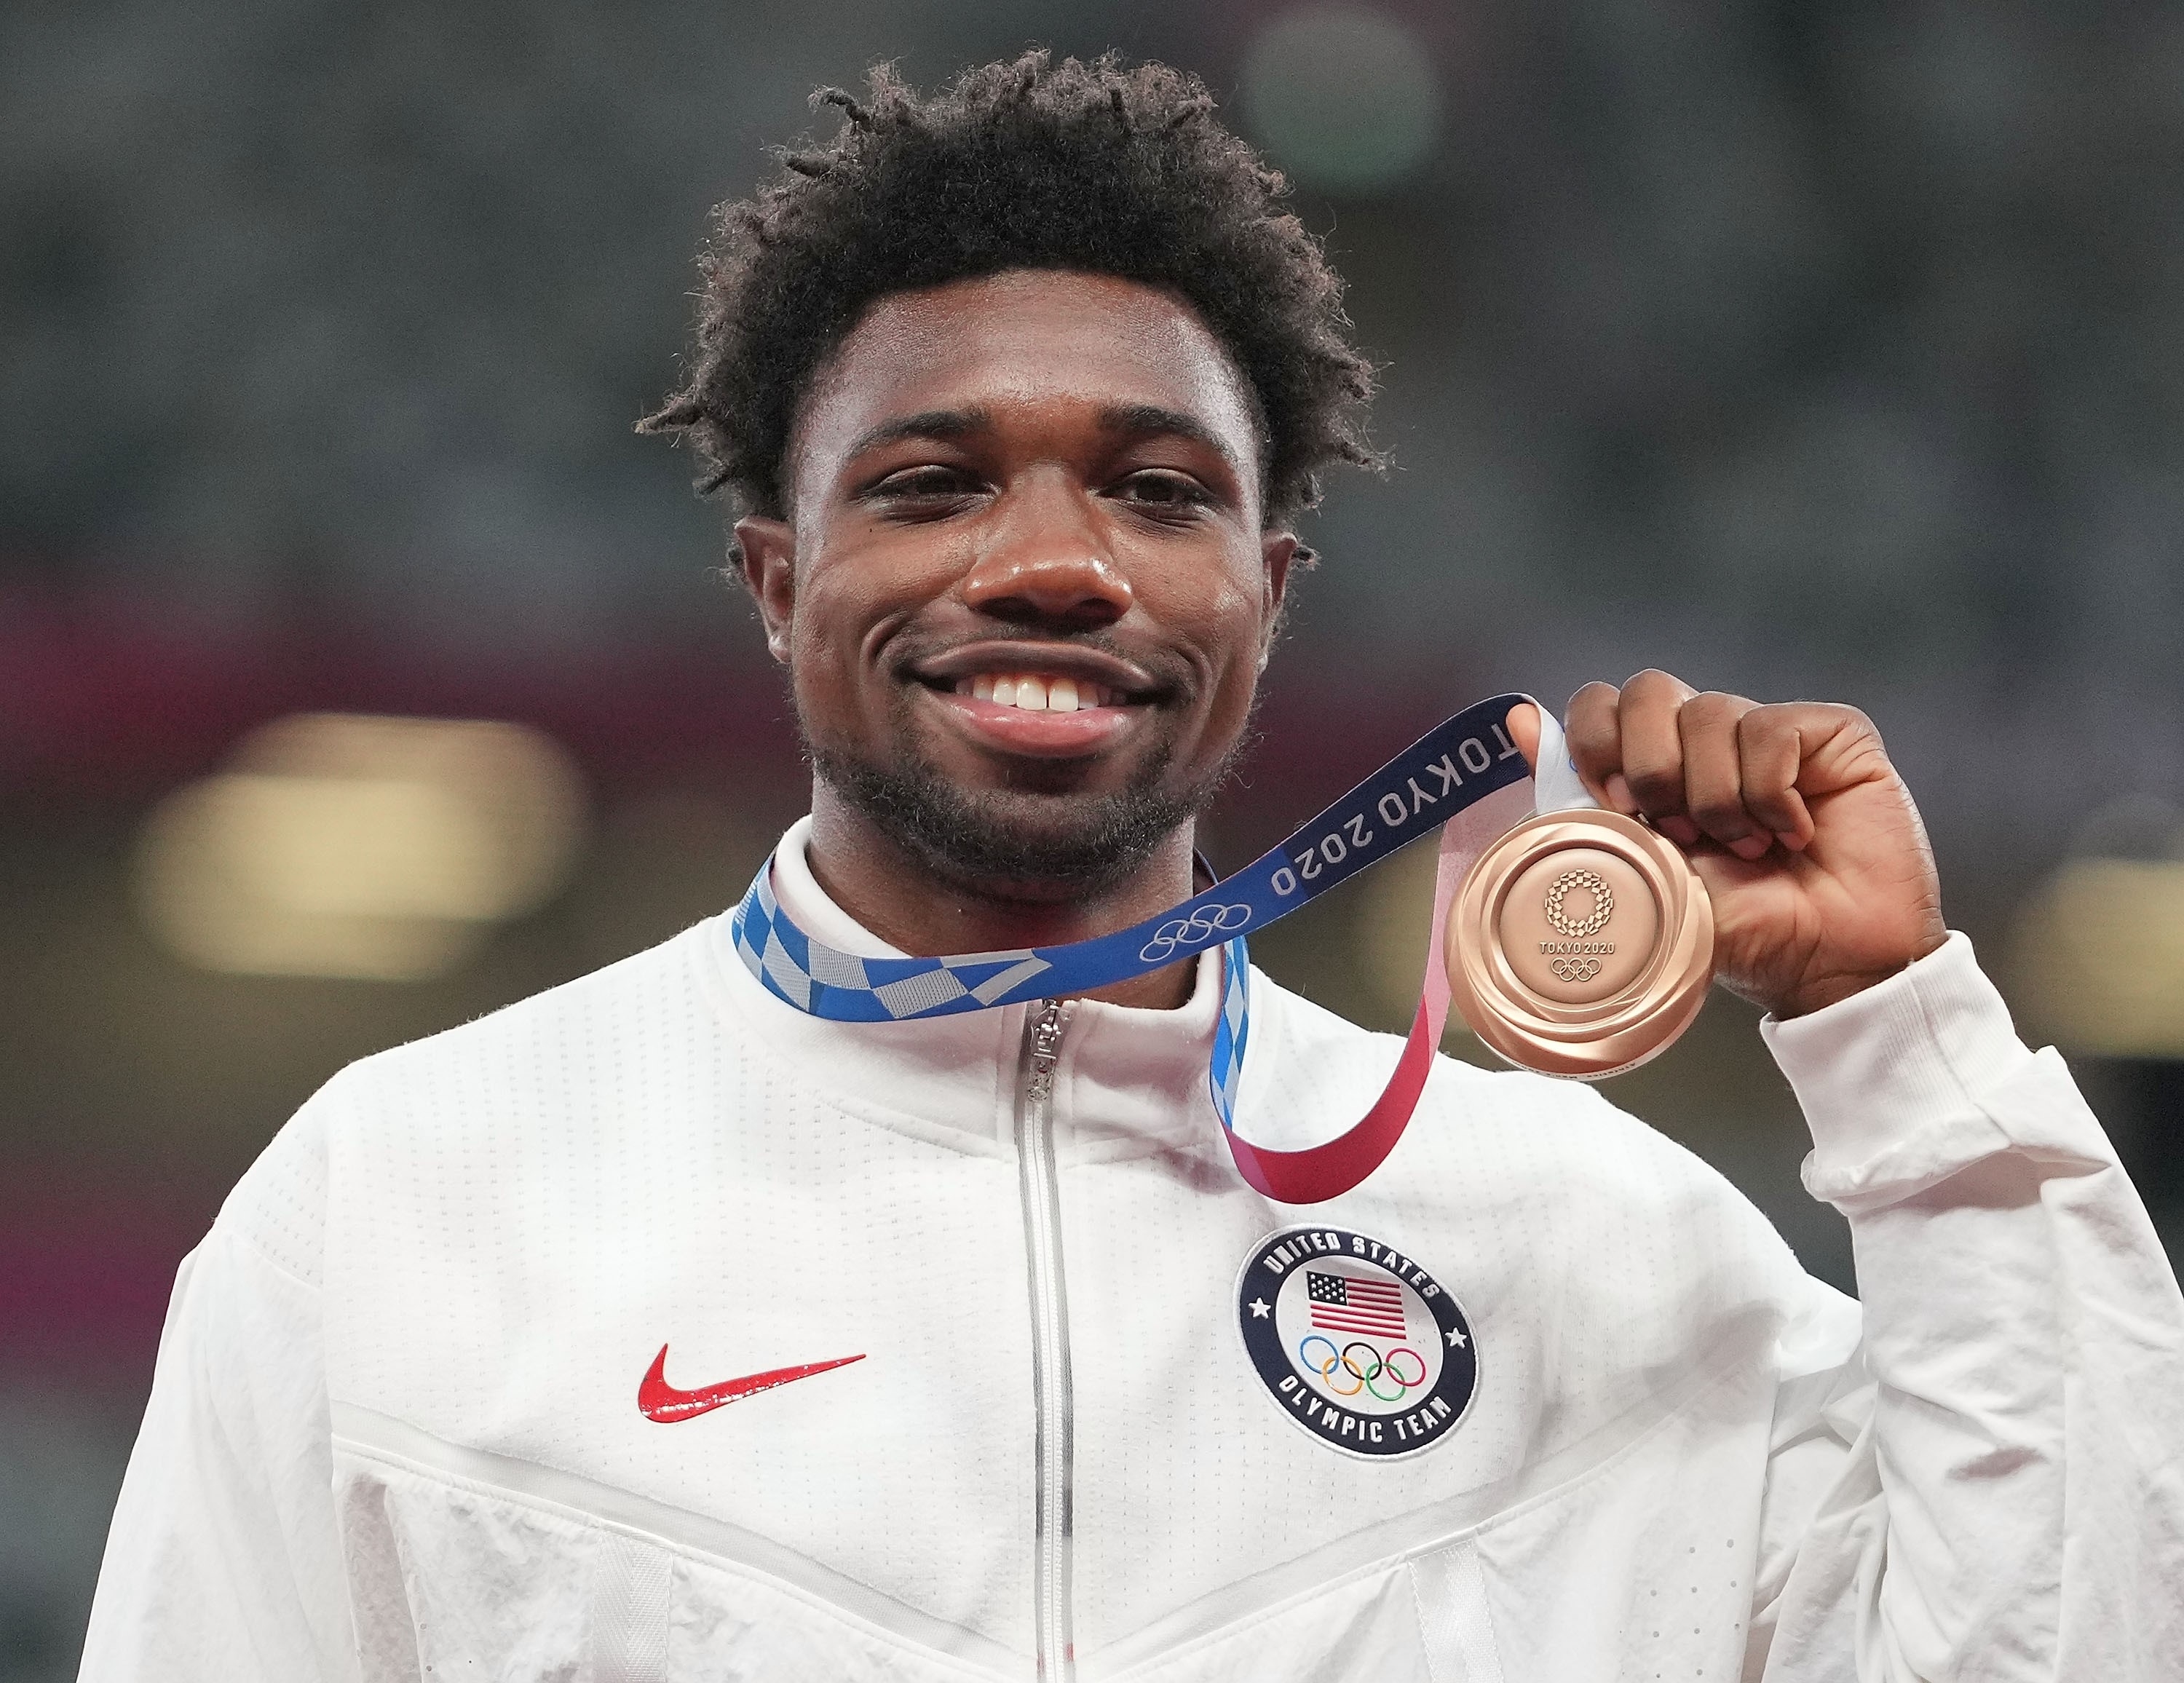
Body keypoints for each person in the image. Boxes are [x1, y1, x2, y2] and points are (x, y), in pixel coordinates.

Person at [80, 52, 2183, 1682]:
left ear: (1263, 593)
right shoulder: (407, 1203)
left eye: (1156, 492)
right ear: (776, 577)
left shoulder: (1598, 1251)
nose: (1056, 564)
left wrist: (1898, 1043)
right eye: (932, 483)